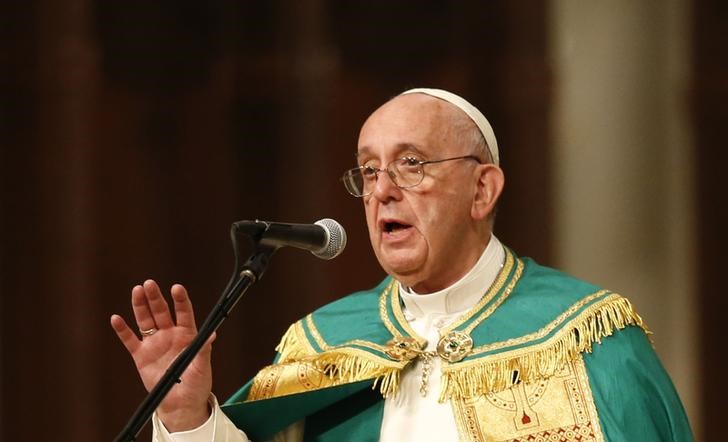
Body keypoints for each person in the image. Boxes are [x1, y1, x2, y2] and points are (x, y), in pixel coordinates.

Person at [111, 88, 693, 441]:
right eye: (368, 171)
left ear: (482, 190)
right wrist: (188, 417)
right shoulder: (325, 345)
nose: (382, 191)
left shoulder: (583, 335)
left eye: (411, 164)